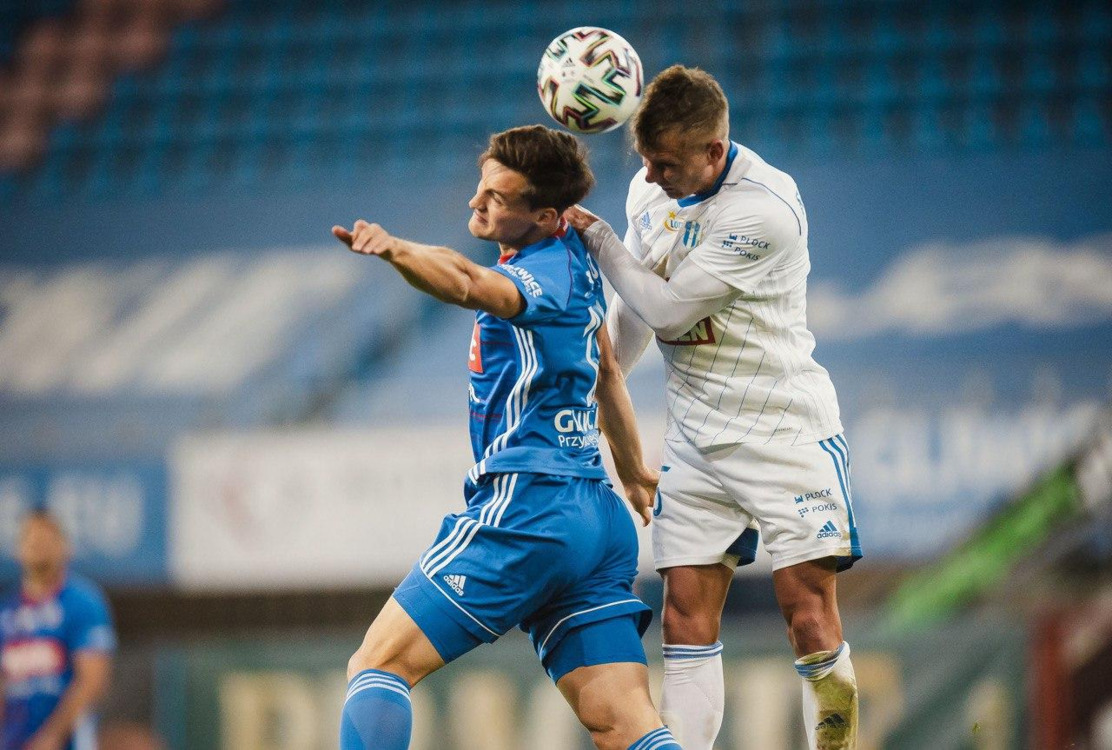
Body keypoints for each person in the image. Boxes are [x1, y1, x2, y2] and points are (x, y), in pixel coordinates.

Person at [331, 124, 681, 750]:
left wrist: (396, 250)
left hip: (529, 510)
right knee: (625, 725)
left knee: (379, 664)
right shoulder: (572, 251)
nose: (476, 202)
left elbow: (469, 283)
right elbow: (606, 370)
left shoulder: (539, 275)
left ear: (544, 215)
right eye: (481, 185)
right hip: (596, 520)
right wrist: (631, 470)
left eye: (496, 196)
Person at [564, 65, 862, 750]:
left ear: (714, 151)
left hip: (783, 432)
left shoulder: (764, 208)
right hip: (695, 436)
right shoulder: (650, 189)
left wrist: (598, 239)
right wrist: (605, 380)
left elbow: (669, 307)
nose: (652, 175)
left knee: (808, 614)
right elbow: (637, 305)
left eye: (667, 164)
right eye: (645, 160)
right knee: (684, 619)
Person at [1, 510, 116, 750]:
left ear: (66, 547)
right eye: (31, 539)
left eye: (47, 538)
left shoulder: (83, 603)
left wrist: (51, 737)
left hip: (69, 743)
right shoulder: (7, 612)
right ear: (17, 550)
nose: (39, 545)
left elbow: (93, 681)